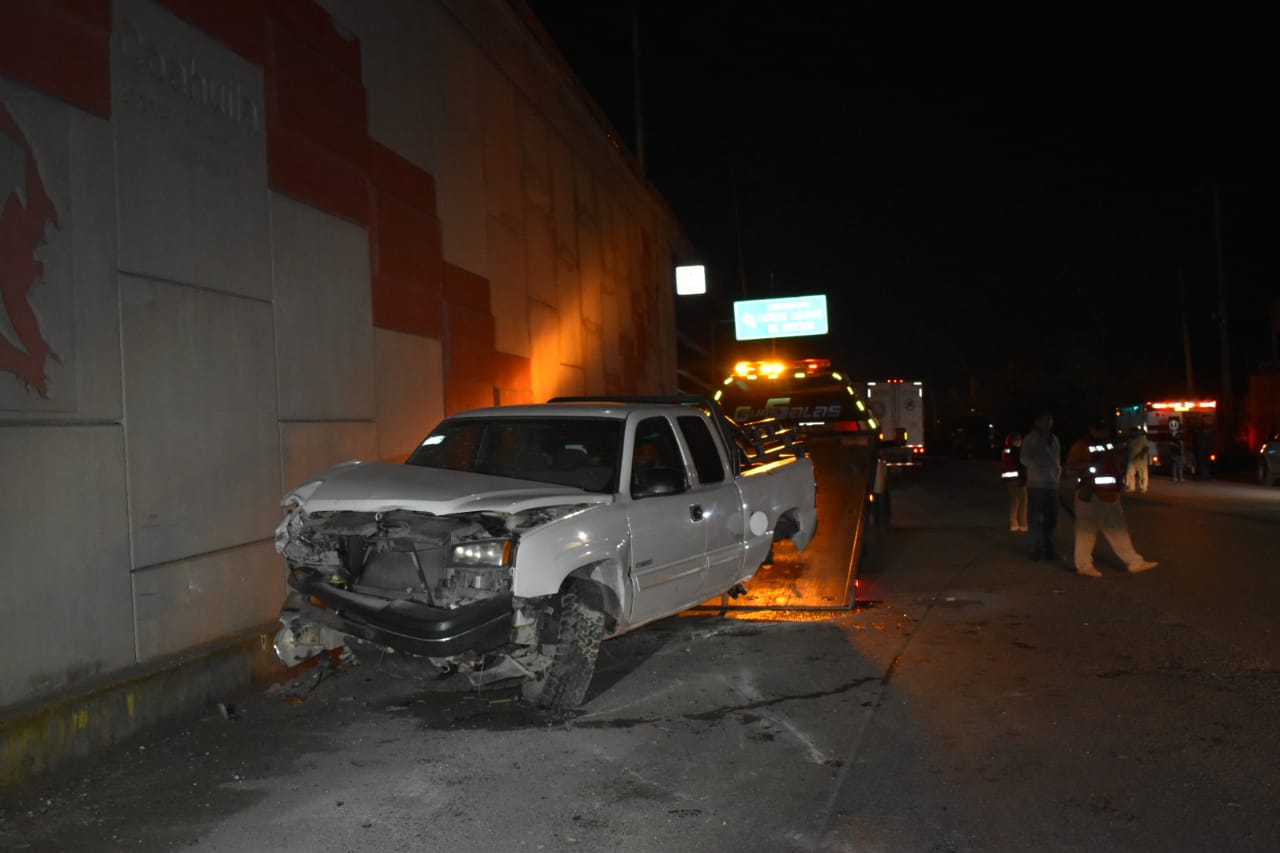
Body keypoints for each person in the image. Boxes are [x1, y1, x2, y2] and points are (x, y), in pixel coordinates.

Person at [1065, 418, 1159, 578]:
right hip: (1093, 493)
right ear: (1092, 430)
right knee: (1104, 530)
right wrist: (1090, 467)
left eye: (1105, 429)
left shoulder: (1106, 444)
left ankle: (1086, 565)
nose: (1104, 432)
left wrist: (1118, 484)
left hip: (1105, 493)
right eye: (1100, 429)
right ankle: (1132, 562)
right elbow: (1072, 465)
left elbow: (1113, 465)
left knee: (1093, 530)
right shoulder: (1082, 446)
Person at [1020, 413, 1062, 561]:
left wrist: (1057, 474)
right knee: (1035, 519)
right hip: (1037, 485)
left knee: (1052, 520)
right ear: (1037, 422)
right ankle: (1034, 548)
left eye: (1049, 420)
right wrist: (1040, 466)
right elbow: (1024, 458)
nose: (1047, 423)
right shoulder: (1031, 439)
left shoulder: (1054, 439)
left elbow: (1056, 460)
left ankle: (1049, 548)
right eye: (1044, 420)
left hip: (1052, 485)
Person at [1001, 432, 1028, 531]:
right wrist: (1024, 477)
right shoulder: (1016, 451)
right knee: (1023, 500)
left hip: (1010, 480)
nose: (1019, 441)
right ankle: (1023, 524)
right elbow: (1021, 465)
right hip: (1018, 479)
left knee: (1015, 501)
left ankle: (1014, 523)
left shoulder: (1006, 450)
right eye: (1017, 440)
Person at [1124, 425, 1150, 493]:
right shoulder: (1130, 440)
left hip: (1141, 460)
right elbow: (1128, 448)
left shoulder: (1142, 439)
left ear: (1137, 432)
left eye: (1133, 432)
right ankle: (1131, 487)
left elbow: (1146, 448)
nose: (1132, 433)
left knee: (1142, 474)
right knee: (1130, 473)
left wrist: (1140, 455)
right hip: (1132, 459)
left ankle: (1143, 488)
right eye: (1131, 432)